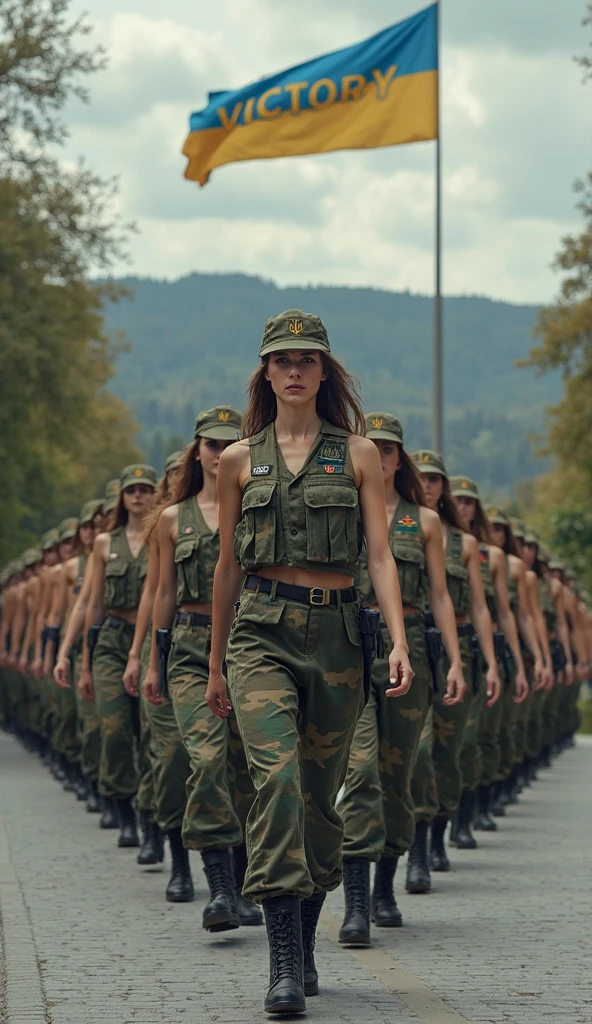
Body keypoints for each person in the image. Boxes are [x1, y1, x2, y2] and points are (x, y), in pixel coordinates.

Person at [206, 310, 413, 1014]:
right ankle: (283, 964)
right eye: (281, 360)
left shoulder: (355, 454)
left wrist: (400, 641)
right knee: (280, 785)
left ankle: (306, 935)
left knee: (323, 806)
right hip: (260, 634)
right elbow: (228, 570)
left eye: (307, 359)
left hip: (336, 640)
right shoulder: (239, 461)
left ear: (325, 373)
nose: (294, 370)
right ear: (266, 373)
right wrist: (213, 666)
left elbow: (379, 555)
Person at [338, 413, 465, 946]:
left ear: (400, 458)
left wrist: (455, 662)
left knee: (399, 775)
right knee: (360, 770)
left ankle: (386, 883)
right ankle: (357, 903)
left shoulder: (425, 522)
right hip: (349, 644)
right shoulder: (340, 509)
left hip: (407, 647)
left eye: (390, 449)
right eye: (374, 447)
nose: (382, 457)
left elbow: (439, 596)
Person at [144, 408, 262, 927]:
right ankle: (217, 888)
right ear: (197, 451)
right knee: (207, 758)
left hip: (251, 641)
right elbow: (162, 593)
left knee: (243, 771)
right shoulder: (174, 519)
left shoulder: (258, 509)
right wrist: (153, 660)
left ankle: (239, 886)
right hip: (191, 649)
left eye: (227, 443)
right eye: (209, 444)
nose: (217, 453)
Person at [407, 452, 500, 893]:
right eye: (421, 478)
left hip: (453, 645)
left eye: (434, 480)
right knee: (417, 752)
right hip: (406, 642)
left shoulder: (464, 545)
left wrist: (490, 660)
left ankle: (432, 838)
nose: (427, 485)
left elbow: (479, 606)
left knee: (447, 752)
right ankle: (414, 849)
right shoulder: (392, 526)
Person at [82, 464, 157, 847]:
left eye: (146, 489)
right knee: (114, 730)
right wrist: (84, 663)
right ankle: (123, 809)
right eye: (132, 490)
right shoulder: (103, 543)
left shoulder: (162, 533)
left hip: (148, 643)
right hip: (111, 642)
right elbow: (93, 605)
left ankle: (150, 818)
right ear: (123, 497)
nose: (139, 496)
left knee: (149, 735)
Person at [450, 478, 528, 844]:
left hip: (471, 646)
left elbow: (508, 613)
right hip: (420, 641)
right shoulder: (420, 531)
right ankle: (429, 837)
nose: (463, 507)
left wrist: (510, 658)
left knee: (470, 739)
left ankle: (466, 817)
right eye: (458, 500)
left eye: (470, 502)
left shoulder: (490, 556)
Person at [485, 507, 544, 810]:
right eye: (490, 527)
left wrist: (539, 659)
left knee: (499, 729)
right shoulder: (466, 551)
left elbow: (526, 615)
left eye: (500, 529)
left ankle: (489, 796)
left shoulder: (517, 568)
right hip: (461, 645)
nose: (494, 534)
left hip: (502, 648)